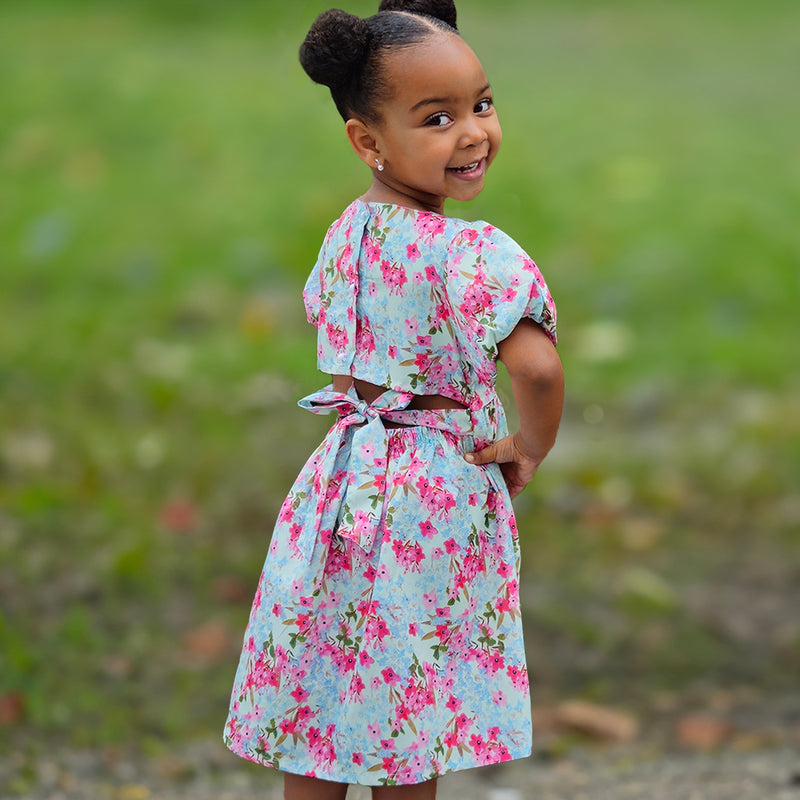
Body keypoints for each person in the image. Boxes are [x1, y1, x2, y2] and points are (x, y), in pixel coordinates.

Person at [223, 1, 564, 798]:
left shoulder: (345, 234)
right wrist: (530, 442)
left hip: (341, 482)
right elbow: (539, 371)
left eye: (481, 103)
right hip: (431, 496)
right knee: (411, 694)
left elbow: (348, 357)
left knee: (326, 686)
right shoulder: (471, 253)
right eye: (438, 118)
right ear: (368, 140)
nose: (474, 132)